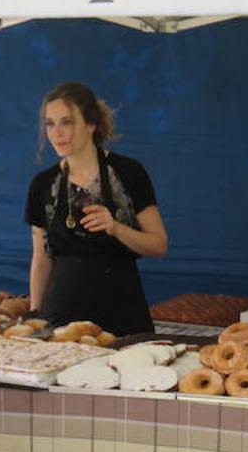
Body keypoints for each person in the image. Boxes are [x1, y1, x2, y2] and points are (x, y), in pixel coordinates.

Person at [25, 82, 168, 336]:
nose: (57, 132)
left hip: (122, 310)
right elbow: (41, 259)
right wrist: (35, 316)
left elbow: (158, 245)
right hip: (63, 313)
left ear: (91, 124)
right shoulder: (43, 184)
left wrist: (116, 228)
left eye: (67, 122)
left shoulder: (128, 172)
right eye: (50, 123)